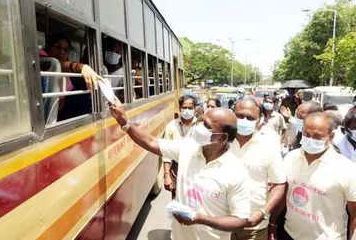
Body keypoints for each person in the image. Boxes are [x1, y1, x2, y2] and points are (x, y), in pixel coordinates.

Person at [109, 99, 251, 240]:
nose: (199, 126)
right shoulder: (188, 147)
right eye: (201, 120)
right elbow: (151, 142)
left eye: (206, 125)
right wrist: (125, 122)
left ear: (222, 137)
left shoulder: (235, 172)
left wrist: (200, 219)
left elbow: (240, 220)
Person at [279, 112, 356, 240]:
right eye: (307, 134)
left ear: (330, 137)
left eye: (317, 136)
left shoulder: (346, 168)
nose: (310, 139)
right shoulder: (290, 158)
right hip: (289, 234)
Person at [230, 99, 286, 240]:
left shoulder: (268, 146)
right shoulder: (221, 142)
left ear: (259, 120)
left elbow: (279, 184)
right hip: (220, 221)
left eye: (250, 118)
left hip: (253, 226)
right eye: (240, 116)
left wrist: (263, 212)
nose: (244, 120)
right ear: (232, 115)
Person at [45, 34, 102, 120]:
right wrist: (82, 67)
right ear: (48, 49)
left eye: (66, 50)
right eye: (57, 47)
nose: (62, 52)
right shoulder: (43, 69)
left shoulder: (75, 76)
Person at [163, 95, 197, 198]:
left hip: (196, 168)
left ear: (194, 109)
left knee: (195, 202)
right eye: (184, 107)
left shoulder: (201, 126)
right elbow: (166, 154)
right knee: (177, 201)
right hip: (177, 169)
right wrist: (167, 176)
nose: (187, 110)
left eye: (190, 108)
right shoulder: (171, 127)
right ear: (179, 108)